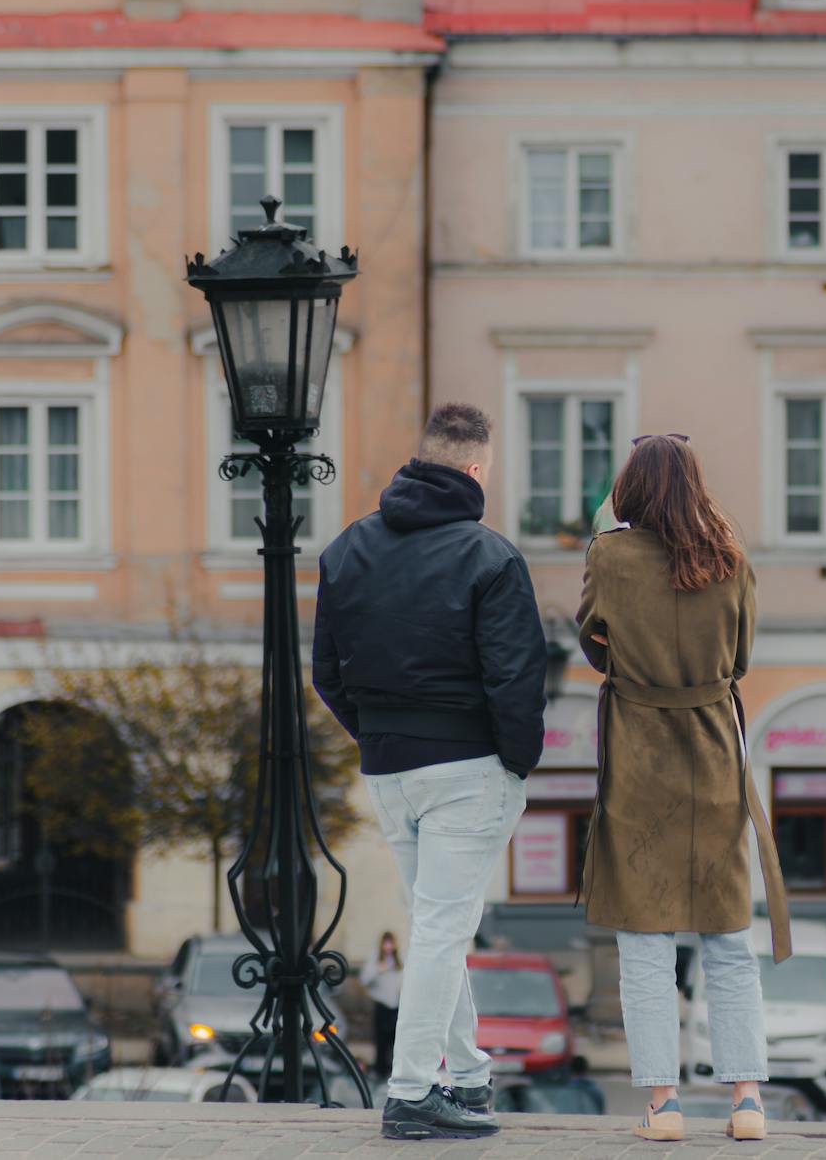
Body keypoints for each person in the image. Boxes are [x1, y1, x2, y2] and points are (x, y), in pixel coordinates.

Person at [312, 403, 546, 1141]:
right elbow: (516, 678)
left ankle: (469, 1075)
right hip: (467, 766)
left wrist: (375, 732)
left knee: (433, 925)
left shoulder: (346, 549)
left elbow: (326, 672)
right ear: (476, 469)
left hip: (389, 768)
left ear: (423, 460)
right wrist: (518, 761)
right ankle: (413, 1090)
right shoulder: (491, 556)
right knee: (444, 929)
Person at [575, 434, 791, 1144]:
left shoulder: (608, 554)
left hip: (641, 757)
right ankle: (747, 1100)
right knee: (729, 941)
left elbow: (590, 637)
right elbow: (743, 655)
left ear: (631, 488)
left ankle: (664, 1106)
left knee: (646, 944)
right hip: (714, 755)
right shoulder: (729, 558)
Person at [361, 932, 403, 1079]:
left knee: (396, 1040)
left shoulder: (399, 960)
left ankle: (394, 1070)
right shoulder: (376, 959)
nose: (388, 946)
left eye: (391, 943)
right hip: (381, 1005)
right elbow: (365, 979)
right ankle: (381, 1070)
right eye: (386, 943)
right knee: (381, 1039)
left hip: (396, 1005)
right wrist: (379, 969)